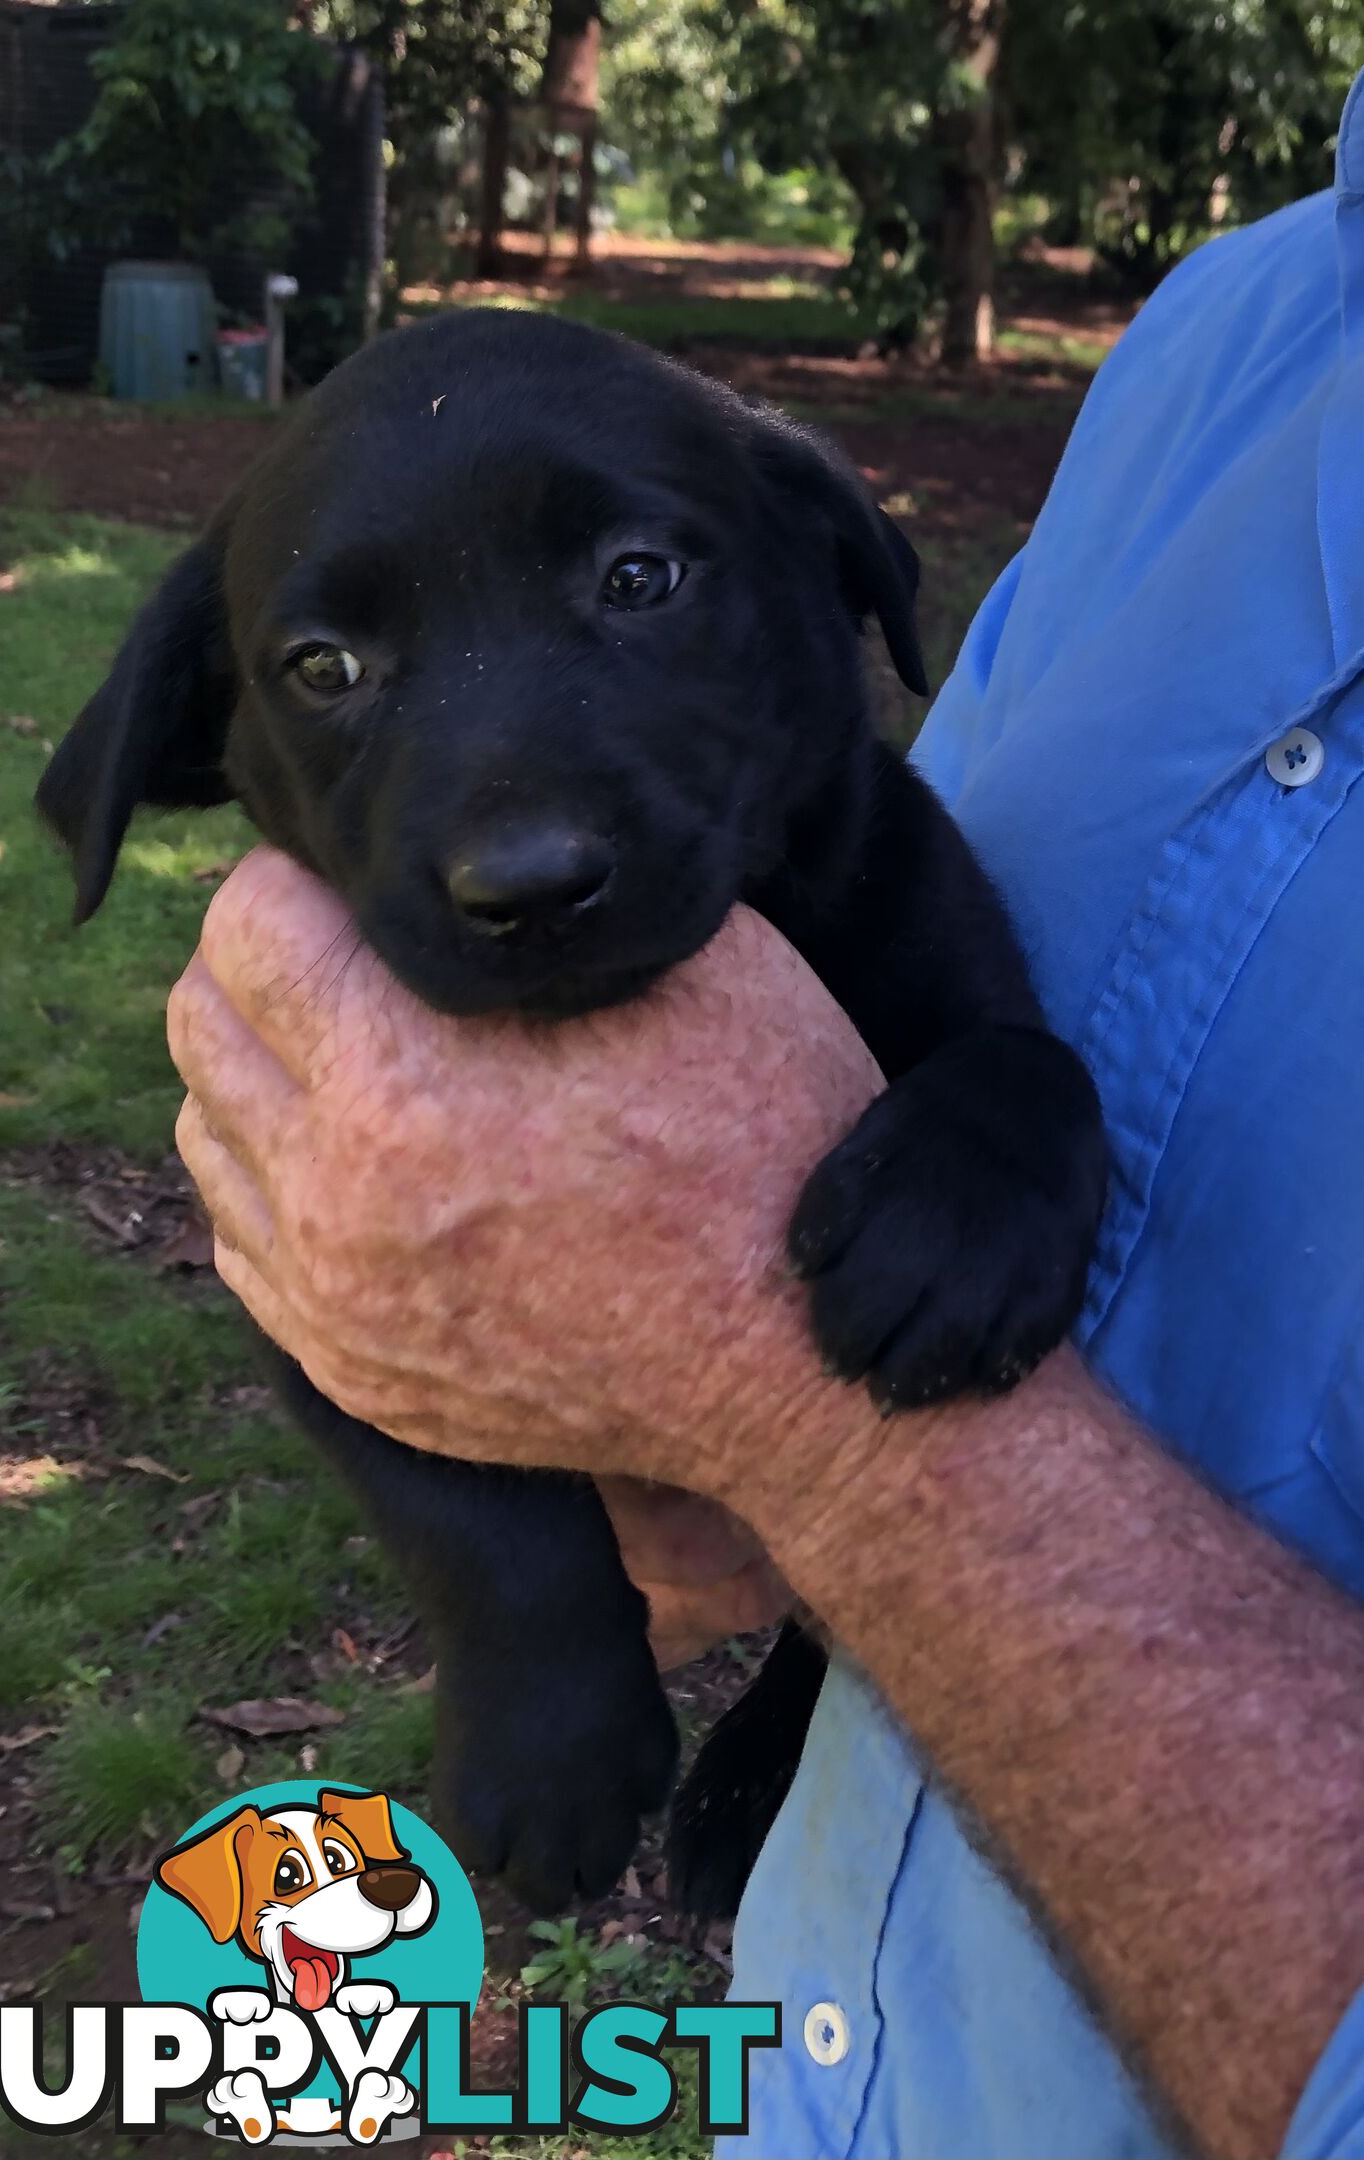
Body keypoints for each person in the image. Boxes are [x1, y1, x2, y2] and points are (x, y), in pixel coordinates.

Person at [167, 69, 1364, 2160]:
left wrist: (791, 1414)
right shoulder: (1240, 333)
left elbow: (970, 1054)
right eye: (337, 665)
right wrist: (546, 1592)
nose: (516, 828)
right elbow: (380, 1317)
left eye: (638, 580)